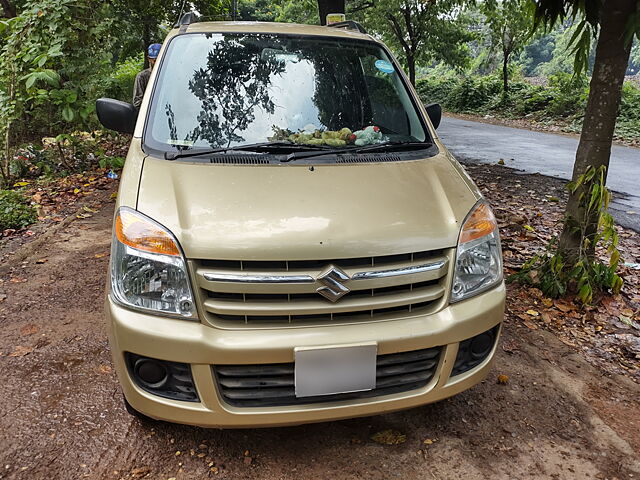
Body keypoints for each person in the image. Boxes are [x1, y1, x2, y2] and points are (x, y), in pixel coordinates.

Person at [133, 43, 162, 109]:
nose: (157, 63)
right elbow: (137, 102)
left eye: (159, 60)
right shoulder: (142, 77)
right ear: (149, 59)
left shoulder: (169, 76)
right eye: (155, 60)